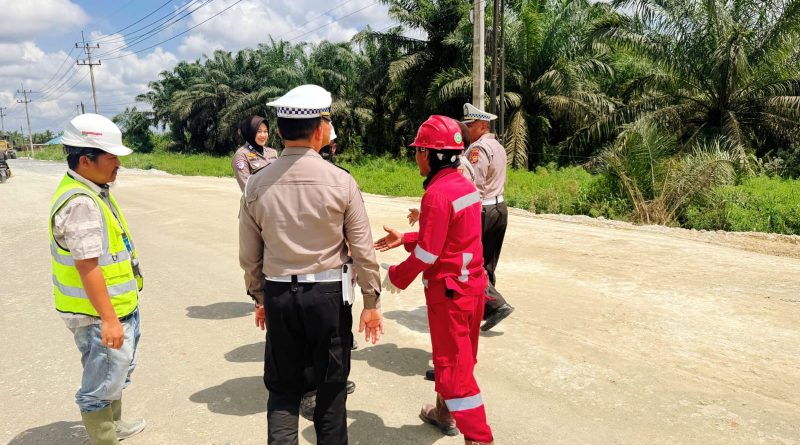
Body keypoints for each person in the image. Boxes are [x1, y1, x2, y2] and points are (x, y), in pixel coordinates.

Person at [239, 84, 384, 444]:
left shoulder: (256, 184)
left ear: (280, 130)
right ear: (319, 130)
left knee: (284, 391)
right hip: (328, 296)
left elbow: (249, 254)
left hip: (279, 294)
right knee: (331, 393)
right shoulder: (341, 181)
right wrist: (371, 303)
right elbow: (363, 249)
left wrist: (259, 298)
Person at [375, 115, 494, 445]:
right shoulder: (464, 187)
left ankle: (479, 439)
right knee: (459, 357)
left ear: (429, 154)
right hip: (472, 288)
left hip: (449, 294)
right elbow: (451, 238)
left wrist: (397, 275)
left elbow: (430, 255)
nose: (416, 157)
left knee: (455, 372)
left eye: (418, 151)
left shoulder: (437, 194)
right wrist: (408, 239)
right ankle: (443, 413)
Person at [49, 113, 146, 445]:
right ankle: (104, 438)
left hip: (117, 306)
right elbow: (87, 267)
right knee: (101, 382)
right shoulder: (81, 203)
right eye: (111, 156)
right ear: (85, 159)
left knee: (116, 373)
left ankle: (113, 426)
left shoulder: (94, 190)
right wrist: (108, 319)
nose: (118, 163)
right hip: (98, 315)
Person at [462, 102, 514, 331]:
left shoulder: (478, 149)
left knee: (473, 264)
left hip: (484, 210)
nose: (466, 130)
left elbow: (476, 186)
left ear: (482, 126)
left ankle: (495, 305)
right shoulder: (498, 146)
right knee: (487, 264)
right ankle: (483, 308)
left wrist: (466, 214)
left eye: (470, 125)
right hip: (499, 207)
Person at [231, 116, 279, 192]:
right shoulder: (241, 155)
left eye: (265, 131)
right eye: (259, 131)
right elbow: (247, 188)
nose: (263, 135)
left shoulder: (272, 153)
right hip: (257, 202)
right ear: (250, 132)